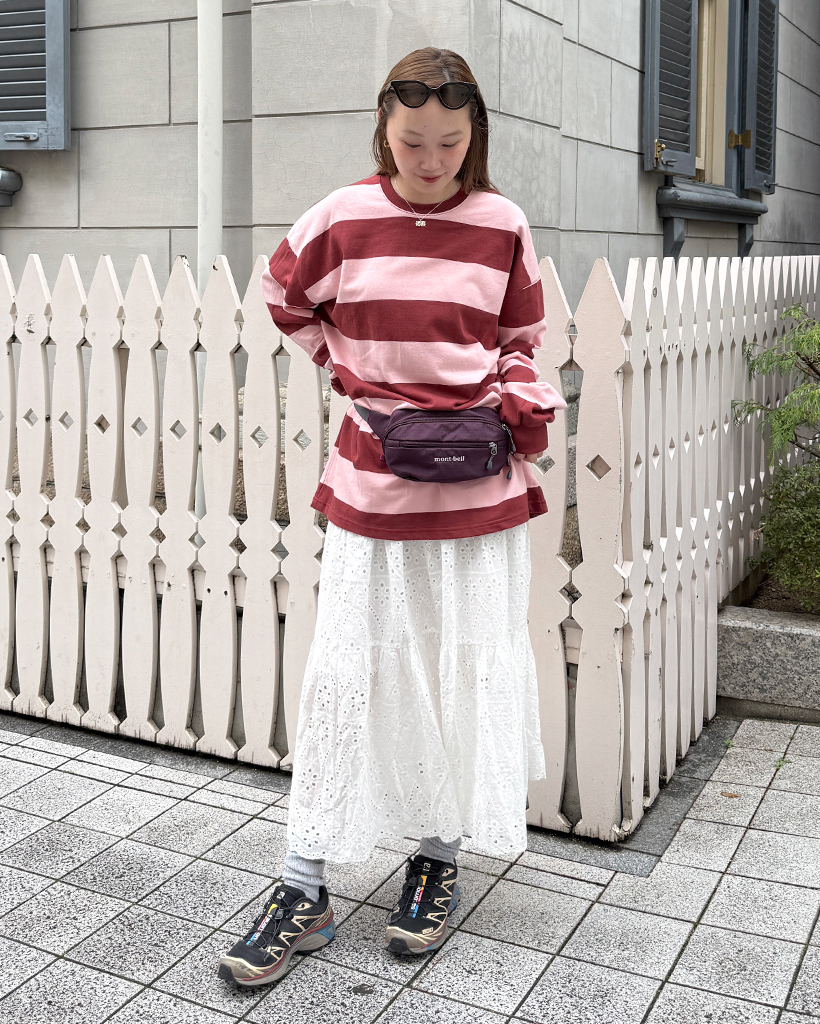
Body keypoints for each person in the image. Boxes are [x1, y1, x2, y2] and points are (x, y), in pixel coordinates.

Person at [219, 45, 566, 988]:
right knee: (349, 668)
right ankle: (305, 883)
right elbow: (282, 296)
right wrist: (346, 367)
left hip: (479, 488)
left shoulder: (501, 223)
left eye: (449, 142)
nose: (430, 159)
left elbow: (522, 338)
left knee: (458, 664)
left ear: (473, 136)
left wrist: (518, 391)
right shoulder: (342, 216)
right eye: (412, 140)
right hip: (375, 479)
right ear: (384, 128)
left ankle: (436, 860)